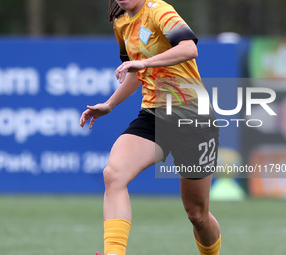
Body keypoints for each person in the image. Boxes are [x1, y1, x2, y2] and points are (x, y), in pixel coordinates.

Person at [80, 0, 221, 254]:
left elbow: (189, 48)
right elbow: (134, 70)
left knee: (197, 214)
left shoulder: (159, 11)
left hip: (192, 118)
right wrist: (110, 105)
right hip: (153, 116)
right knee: (114, 174)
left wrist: (144, 63)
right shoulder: (121, 23)